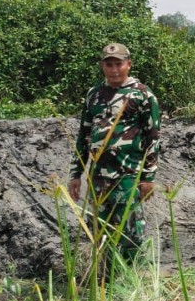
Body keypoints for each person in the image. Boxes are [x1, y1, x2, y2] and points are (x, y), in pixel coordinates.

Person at [68, 42, 161, 263]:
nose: (114, 69)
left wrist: (148, 178)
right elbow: (84, 135)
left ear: (128, 64)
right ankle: (105, 276)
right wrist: (76, 174)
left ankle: (133, 276)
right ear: (103, 66)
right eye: (109, 64)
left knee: (131, 231)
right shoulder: (94, 94)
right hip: (98, 176)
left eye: (118, 64)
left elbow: (153, 137)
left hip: (128, 174)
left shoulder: (142, 94)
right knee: (99, 230)